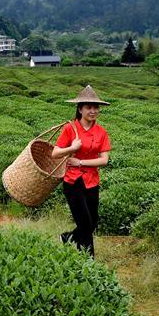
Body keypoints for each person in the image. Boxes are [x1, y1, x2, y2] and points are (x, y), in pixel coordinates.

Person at [51, 85, 111, 257]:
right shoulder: (70, 129)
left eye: (95, 107)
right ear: (80, 109)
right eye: (88, 107)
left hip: (92, 181)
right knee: (85, 224)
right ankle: (88, 262)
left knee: (92, 222)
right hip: (73, 181)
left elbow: (104, 160)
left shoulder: (101, 132)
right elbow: (55, 153)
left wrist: (80, 161)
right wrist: (72, 147)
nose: (93, 111)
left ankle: (67, 237)